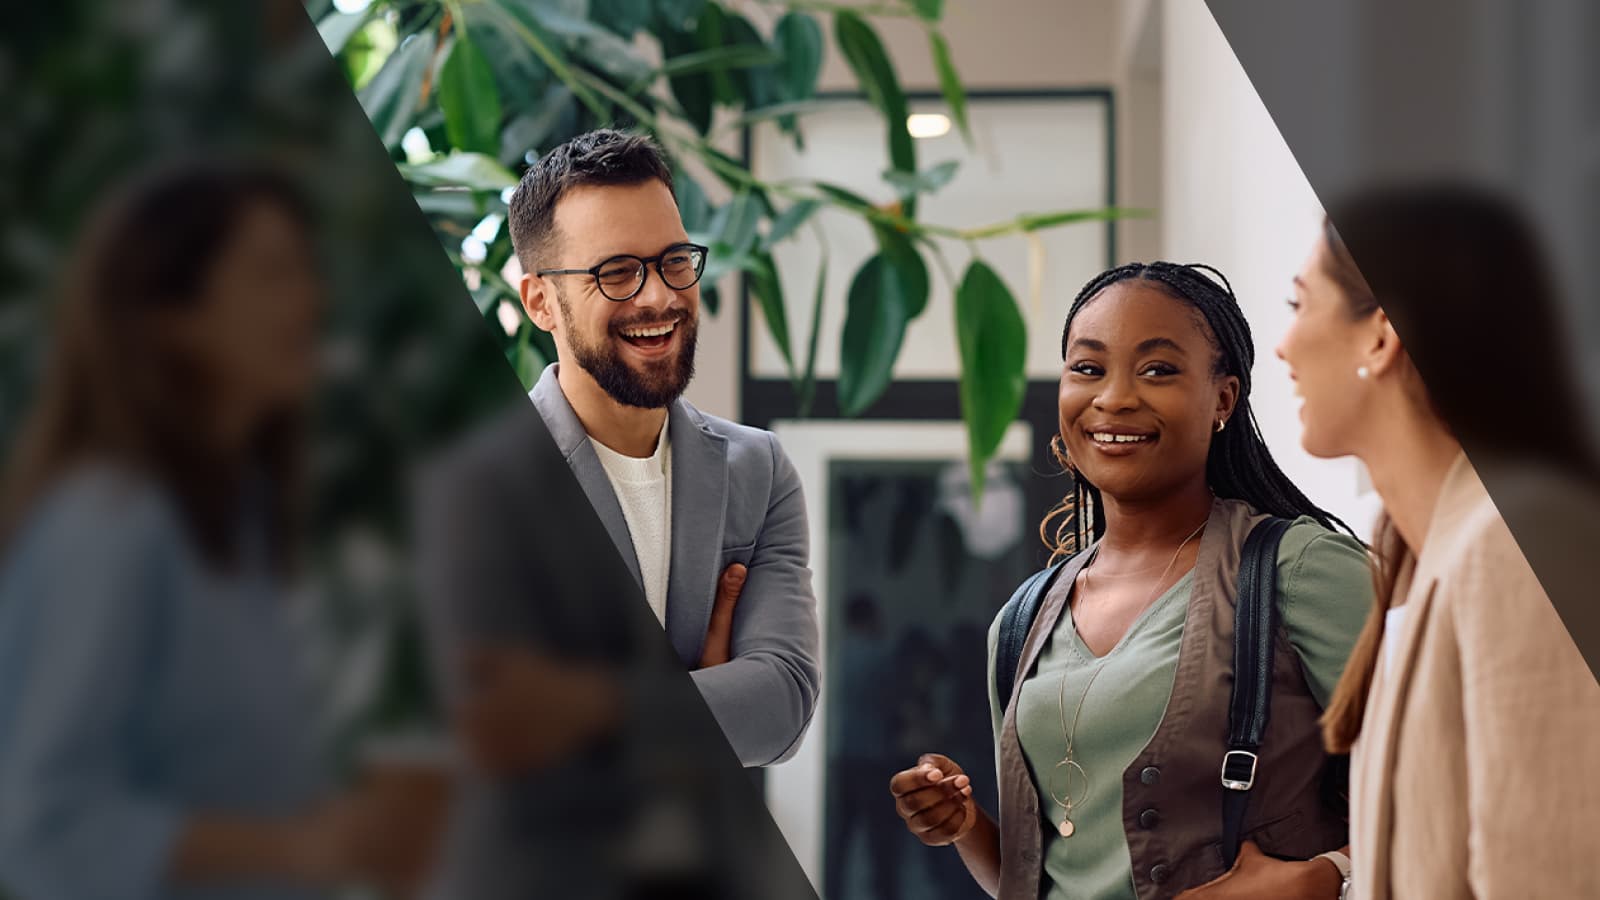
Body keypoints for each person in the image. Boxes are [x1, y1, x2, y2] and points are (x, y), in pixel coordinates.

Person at [0, 163, 435, 898]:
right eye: (273, 273)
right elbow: (42, 822)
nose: (313, 299)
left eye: (308, 270)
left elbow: (205, 789)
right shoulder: (114, 525)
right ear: (169, 317)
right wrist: (296, 848)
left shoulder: (234, 519)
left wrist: (336, 832)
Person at [889, 262, 1373, 900]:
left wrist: (1325, 877)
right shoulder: (1020, 623)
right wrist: (964, 826)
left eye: (1158, 370)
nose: (1113, 397)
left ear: (1223, 398)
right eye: (1087, 368)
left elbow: (1448, 779)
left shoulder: (1298, 568)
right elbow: (1033, 876)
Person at [1278, 188, 1600, 899]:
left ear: (1382, 336)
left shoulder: (1519, 541)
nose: (1284, 343)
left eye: (1300, 304)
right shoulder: (1417, 553)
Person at [475, 128, 820, 770]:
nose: (659, 295)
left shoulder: (758, 471)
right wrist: (700, 699)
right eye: (617, 272)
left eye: (674, 261)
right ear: (542, 302)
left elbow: (782, 705)